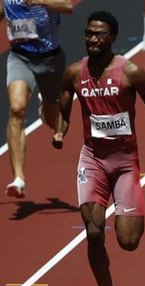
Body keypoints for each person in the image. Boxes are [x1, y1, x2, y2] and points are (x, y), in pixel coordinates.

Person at [51, 11, 145, 286]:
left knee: (128, 242)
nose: (93, 39)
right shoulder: (74, 73)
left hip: (124, 163)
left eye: (100, 34)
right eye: (89, 33)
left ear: (113, 38)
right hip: (92, 158)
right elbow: (63, 110)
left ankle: (127, 217)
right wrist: (60, 131)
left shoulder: (130, 72)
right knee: (93, 231)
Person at [2, 0, 73, 198]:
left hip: (50, 59)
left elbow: (67, 7)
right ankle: (19, 178)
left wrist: (40, 1)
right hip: (20, 57)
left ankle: (46, 103)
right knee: (16, 110)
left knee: (52, 120)